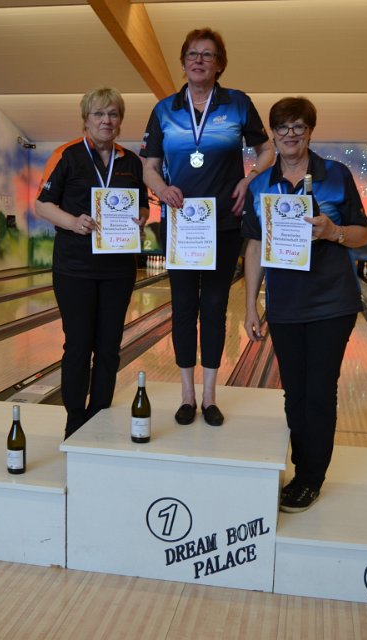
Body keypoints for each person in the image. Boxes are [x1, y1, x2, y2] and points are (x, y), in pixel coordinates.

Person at [242, 97, 367, 513]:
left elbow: (363, 234)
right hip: (284, 305)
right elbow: (254, 246)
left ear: (310, 131)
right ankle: (302, 468)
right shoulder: (261, 185)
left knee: (319, 391)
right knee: (294, 393)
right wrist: (250, 306)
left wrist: (334, 231)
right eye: (282, 127)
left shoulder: (336, 175)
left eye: (298, 126)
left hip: (332, 302)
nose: (290, 134)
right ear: (273, 134)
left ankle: (311, 477)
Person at [141, 27, 274, 427]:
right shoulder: (164, 109)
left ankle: (210, 396)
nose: (199, 60)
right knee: (183, 308)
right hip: (181, 225)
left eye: (208, 55)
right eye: (192, 54)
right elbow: (149, 166)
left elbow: (266, 150)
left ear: (219, 64)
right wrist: (162, 189)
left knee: (214, 308)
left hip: (224, 223)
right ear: (183, 63)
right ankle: (186, 395)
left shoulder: (237, 104)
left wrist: (250, 179)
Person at [35, 87, 149, 438]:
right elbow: (42, 204)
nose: (106, 120)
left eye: (113, 114)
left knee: (109, 345)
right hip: (75, 267)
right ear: (86, 119)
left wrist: (141, 216)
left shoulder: (130, 161)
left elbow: (143, 203)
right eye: (99, 114)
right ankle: (74, 415)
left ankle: (100, 411)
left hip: (118, 269)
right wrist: (73, 222)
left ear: (120, 121)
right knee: (79, 343)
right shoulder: (66, 155)